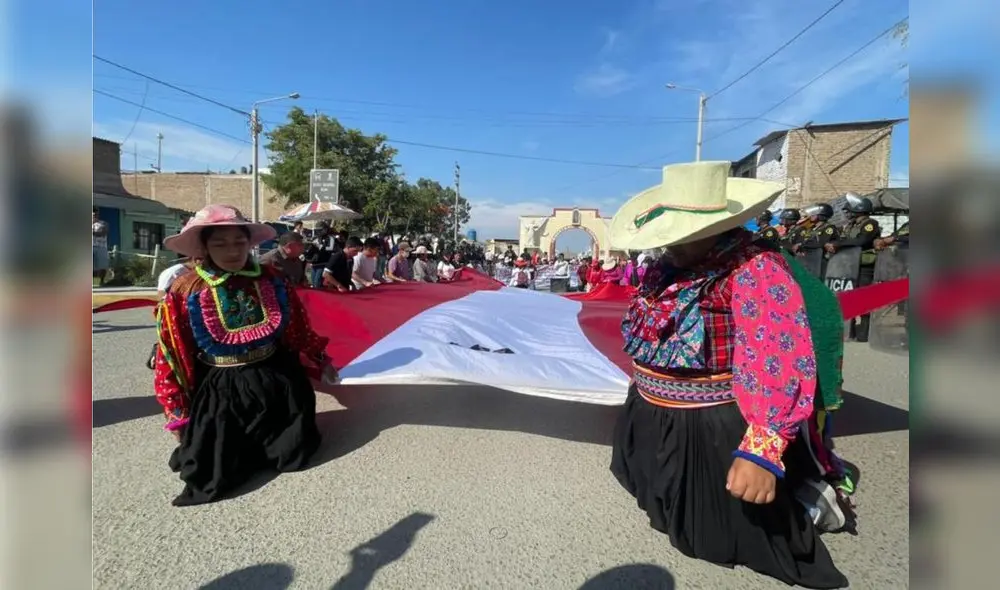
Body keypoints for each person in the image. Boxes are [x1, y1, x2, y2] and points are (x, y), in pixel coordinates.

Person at [607, 161, 848, 589]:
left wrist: (761, 449)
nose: (671, 245)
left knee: (720, 537)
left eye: (684, 235)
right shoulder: (666, 267)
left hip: (711, 425)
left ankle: (812, 496)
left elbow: (777, 356)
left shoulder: (756, 269)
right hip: (654, 411)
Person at [152, 204, 339, 506]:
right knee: (212, 473)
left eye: (239, 242)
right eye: (220, 243)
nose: (232, 251)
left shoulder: (271, 277)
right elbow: (171, 354)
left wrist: (319, 357)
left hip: (276, 376)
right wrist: (177, 412)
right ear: (204, 248)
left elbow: (297, 327)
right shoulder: (185, 289)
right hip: (222, 386)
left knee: (294, 451)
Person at [826, 194, 881, 342]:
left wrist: (839, 244)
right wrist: (833, 244)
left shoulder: (870, 224)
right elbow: (844, 239)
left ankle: (864, 333)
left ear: (859, 210)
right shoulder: (850, 225)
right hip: (849, 264)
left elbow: (862, 240)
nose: (848, 213)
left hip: (864, 265)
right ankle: (849, 331)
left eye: (850, 211)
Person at [304, 221, 337, 287]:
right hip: (314, 263)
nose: (318, 231)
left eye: (320, 230)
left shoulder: (330, 238)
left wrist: (320, 246)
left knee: (317, 283)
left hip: (323, 263)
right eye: (317, 230)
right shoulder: (315, 238)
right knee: (313, 282)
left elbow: (331, 248)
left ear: (325, 229)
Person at [93, 209, 110, 286]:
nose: (94, 216)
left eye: (95, 214)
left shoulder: (103, 223)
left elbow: (103, 232)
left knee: (102, 265)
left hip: (101, 246)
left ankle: (102, 281)